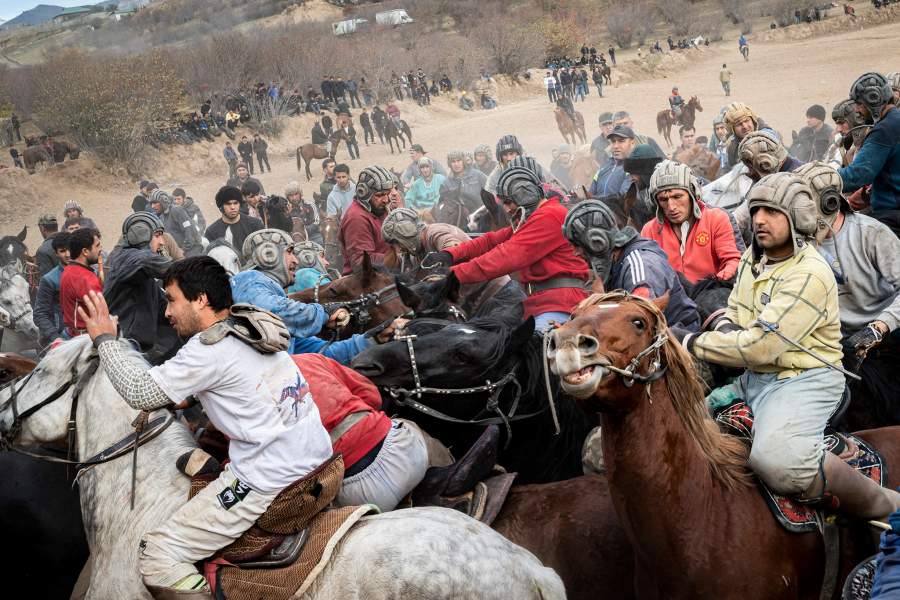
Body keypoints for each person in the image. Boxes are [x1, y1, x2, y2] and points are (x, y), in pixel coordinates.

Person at [76, 256, 334, 597]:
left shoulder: (207, 350)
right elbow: (239, 382)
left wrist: (105, 340)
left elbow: (139, 392)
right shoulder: (248, 324)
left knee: (159, 553)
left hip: (270, 481)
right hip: (318, 462)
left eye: (171, 299)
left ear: (200, 299)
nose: (167, 313)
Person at [681, 172, 900, 522]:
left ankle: (888, 506)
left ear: (798, 217)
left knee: (777, 461)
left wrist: (690, 341)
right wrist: (727, 328)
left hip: (803, 379)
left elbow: (762, 347)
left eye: (771, 212)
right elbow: (737, 310)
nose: (759, 220)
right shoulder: (756, 259)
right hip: (756, 377)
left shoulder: (810, 271)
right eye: (755, 211)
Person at [795, 162, 900, 430]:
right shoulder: (799, 245)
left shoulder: (871, 234)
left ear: (829, 201)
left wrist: (879, 327)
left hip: (885, 338)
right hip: (836, 346)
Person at [426, 166, 589, 332]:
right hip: (543, 301)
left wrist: (452, 275)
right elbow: (491, 240)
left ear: (526, 194)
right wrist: (450, 255)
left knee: (532, 347)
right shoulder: (535, 218)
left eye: (508, 202)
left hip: (562, 303)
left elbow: (504, 257)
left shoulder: (550, 215)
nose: (506, 209)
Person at [231, 229, 406, 364]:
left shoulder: (282, 321)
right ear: (268, 255)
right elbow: (272, 310)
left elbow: (322, 352)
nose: (296, 260)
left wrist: (371, 340)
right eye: (290, 252)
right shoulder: (249, 280)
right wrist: (324, 313)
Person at [562, 200, 700, 330]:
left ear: (597, 242)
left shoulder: (639, 266)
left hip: (676, 341)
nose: (575, 252)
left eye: (577, 245)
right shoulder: (619, 262)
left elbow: (639, 321)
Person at [641, 161, 742, 283]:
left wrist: (715, 286)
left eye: (677, 197)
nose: (671, 206)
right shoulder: (650, 230)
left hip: (713, 293)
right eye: (663, 199)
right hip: (670, 298)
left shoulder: (716, 218)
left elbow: (733, 261)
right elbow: (646, 272)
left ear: (692, 194)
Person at [104, 212, 179, 364]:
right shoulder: (127, 258)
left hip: (139, 347)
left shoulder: (144, 275)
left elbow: (162, 307)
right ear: (141, 234)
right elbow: (155, 263)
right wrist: (201, 272)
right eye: (157, 235)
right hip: (124, 350)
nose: (162, 242)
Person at [838, 72, 900, 228]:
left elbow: (859, 175)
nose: (858, 110)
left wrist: (822, 177)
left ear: (874, 99)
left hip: (891, 217)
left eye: (859, 104)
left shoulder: (885, 129)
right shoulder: (895, 121)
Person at [339, 165, 396, 274]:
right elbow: (361, 261)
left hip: (385, 274)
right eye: (380, 195)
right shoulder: (356, 218)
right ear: (363, 193)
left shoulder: (379, 209)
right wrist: (397, 259)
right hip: (365, 282)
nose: (386, 200)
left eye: (388, 194)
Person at [59, 227, 103, 337]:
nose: (100, 249)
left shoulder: (69, 270)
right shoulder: (85, 278)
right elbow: (102, 313)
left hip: (71, 333)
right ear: (85, 251)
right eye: (97, 245)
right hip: (86, 338)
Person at [204, 186, 264, 259]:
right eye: (228, 204)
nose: (232, 207)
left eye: (235, 203)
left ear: (240, 204)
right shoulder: (212, 232)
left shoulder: (255, 224)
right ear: (221, 207)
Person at [33, 231, 71, 347]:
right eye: (62, 251)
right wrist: (55, 337)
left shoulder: (89, 273)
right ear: (56, 253)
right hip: (60, 340)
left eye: (70, 249)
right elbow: (40, 314)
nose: (68, 254)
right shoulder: (49, 279)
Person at [148, 190, 202, 257]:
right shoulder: (160, 217)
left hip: (190, 250)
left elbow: (190, 232)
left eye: (155, 203)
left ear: (164, 201)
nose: (152, 206)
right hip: (177, 253)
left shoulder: (176, 210)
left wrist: (182, 250)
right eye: (151, 204)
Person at [589, 124, 636, 199]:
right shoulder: (604, 166)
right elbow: (590, 193)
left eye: (621, 141)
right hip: (599, 208)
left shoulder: (635, 167)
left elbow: (622, 198)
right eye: (613, 141)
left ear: (632, 143)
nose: (615, 146)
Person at [722, 101, 773, 169]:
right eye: (739, 124)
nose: (745, 126)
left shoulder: (768, 136)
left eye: (746, 121)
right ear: (733, 130)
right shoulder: (732, 148)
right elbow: (729, 172)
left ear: (753, 120)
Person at [441, 149, 488, 216]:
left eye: (459, 161)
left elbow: (490, 191)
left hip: (481, 213)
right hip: (459, 217)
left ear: (463, 162)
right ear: (449, 164)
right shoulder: (446, 183)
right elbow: (445, 204)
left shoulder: (477, 175)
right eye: (453, 162)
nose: (456, 164)